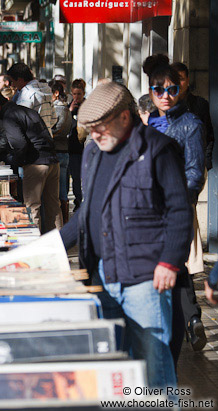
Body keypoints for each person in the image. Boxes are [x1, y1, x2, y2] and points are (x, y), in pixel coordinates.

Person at [60, 81, 192, 390]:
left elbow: (179, 210)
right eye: (89, 128)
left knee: (152, 369)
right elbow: (86, 211)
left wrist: (170, 262)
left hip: (145, 275)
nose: (94, 135)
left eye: (99, 127)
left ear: (124, 117)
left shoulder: (157, 148)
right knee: (115, 370)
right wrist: (52, 246)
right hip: (103, 274)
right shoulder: (93, 151)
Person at [143, 55, 207, 356]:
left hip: (174, 212)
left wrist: (177, 204)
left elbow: (195, 174)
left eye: (171, 90)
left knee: (177, 269)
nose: (165, 96)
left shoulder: (190, 124)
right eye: (158, 90)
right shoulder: (148, 120)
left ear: (179, 89)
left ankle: (183, 330)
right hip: (146, 213)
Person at [0, 90, 62, 233]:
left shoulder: (9, 116)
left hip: (36, 163)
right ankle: (60, 243)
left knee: (32, 207)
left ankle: (33, 247)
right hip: (51, 160)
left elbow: (19, 144)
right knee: (53, 206)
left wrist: (16, 161)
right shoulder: (25, 111)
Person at [172, 61, 214, 170]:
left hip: (195, 165)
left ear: (187, 81)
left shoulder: (200, 104)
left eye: (181, 79)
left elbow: (208, 135)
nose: (177, 83)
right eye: (174, 79)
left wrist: (206, 162)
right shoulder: (164, 105)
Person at [6, 63, 56, 136]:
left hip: (33, 140)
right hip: (47, 137)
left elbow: (20, 121)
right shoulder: (46, 89)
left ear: (20, 80)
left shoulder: (26, 94)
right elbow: (54, 118)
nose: (12, 85)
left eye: (12, 81)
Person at [51, 81, 72, 224]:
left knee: (61, 190)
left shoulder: (60, 109)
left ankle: (63, 220)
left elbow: (59, 130)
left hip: (59, 152)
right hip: (62, 151)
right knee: (62, 188)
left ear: (56, 93)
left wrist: (47, 134)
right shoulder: (65, 109)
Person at [67, 79, 87, 210]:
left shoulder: (87, 107)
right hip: (73, 148)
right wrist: (69, 111)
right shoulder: (69, 107)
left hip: (85, 148)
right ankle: (78, 201)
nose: (76, 97)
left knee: (85, 177)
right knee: (75, 177)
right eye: (74, 94)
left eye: (79, 94)